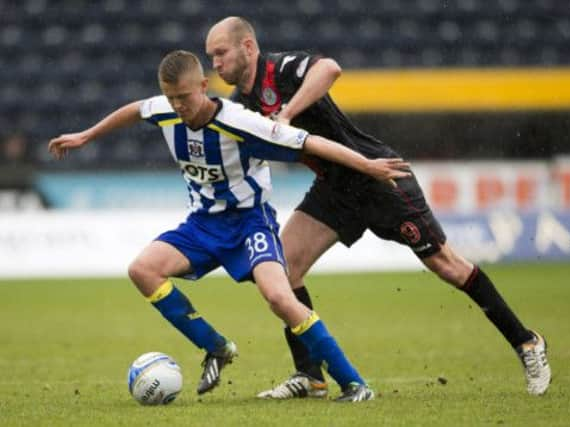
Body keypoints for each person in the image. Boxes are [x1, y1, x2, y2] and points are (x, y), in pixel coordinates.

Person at [205, 17, 552, 398]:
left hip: (377, 176)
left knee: (446, 265)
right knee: (284, 268)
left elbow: (330, 69)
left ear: (249, 47)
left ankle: (526, 343)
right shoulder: (240, 107)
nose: (217, 63)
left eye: (221, 53)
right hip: (333, 188)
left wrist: (286, 115)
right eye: (211, 57)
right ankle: (311, 376)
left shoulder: (281, 69)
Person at [48, 50, 412, 402]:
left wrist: (368, 165)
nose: (178, 105)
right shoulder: (164, 110)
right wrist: (85, 136)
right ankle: (216, 348)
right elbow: (134, 110)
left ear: (203, 86)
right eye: (171, 97)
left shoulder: (241, 121)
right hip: (203, 225)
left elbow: (311, 141)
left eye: (184, 97)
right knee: (143, 270)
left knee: (279, 297)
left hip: (250, 223)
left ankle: (353, 383)